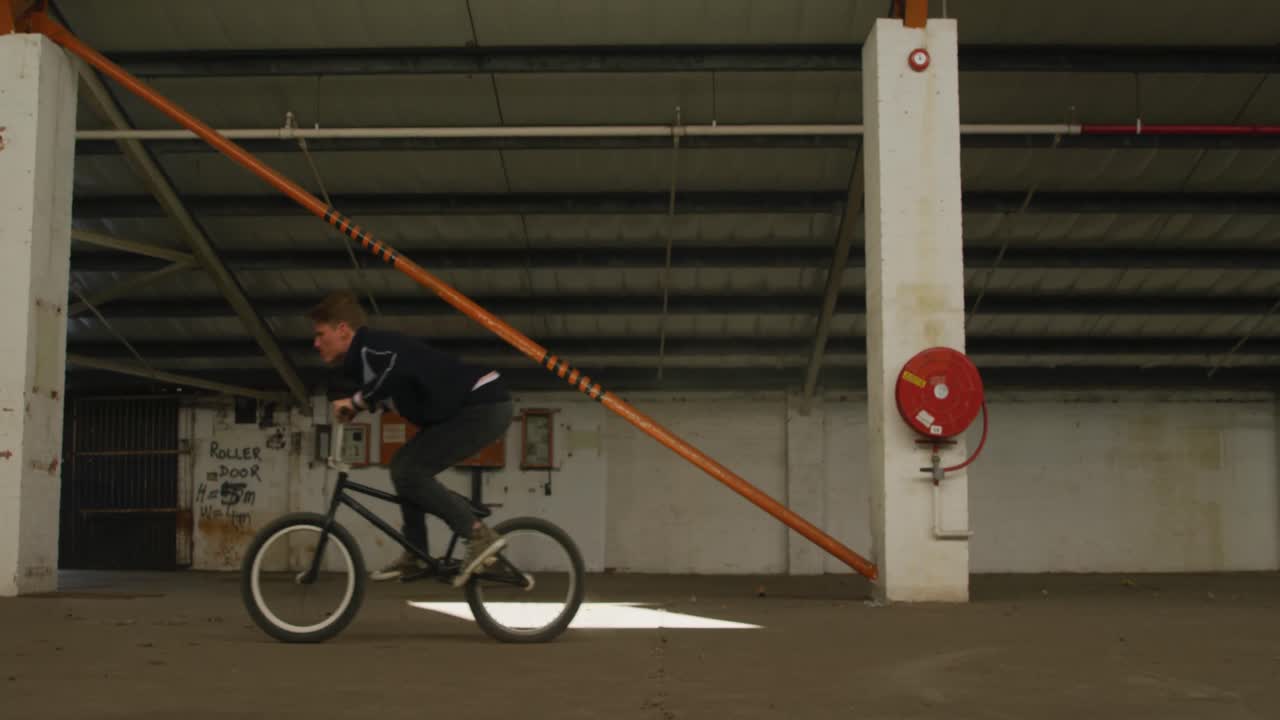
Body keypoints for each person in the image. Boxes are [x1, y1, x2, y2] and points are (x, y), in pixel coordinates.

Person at [308, 290, 512, 587]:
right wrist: (363, 404)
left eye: (320, 334)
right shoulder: (365, 364)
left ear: (342, 330)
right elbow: (397, 384)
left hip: (482, 403)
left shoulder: (371, 347)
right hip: (468, 408)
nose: (315, 343)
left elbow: (399, 369)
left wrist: (356, 401)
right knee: (405, 467)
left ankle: (477, 533)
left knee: (409, 471)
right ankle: (416, 553)